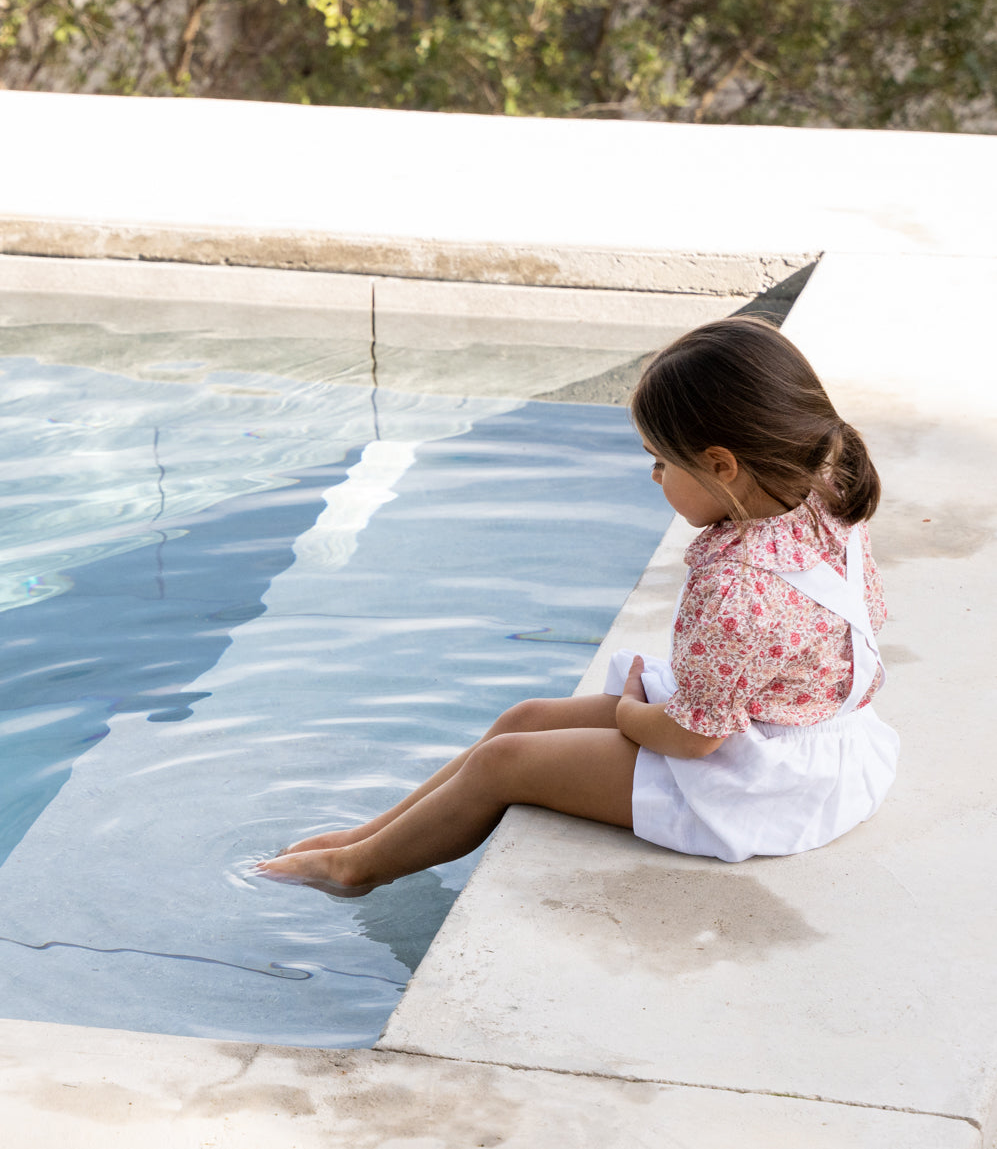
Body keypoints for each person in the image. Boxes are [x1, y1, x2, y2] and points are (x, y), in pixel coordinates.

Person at [255, 316, 898, 895]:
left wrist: (627, 713)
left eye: (660, 462)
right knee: (525, 718)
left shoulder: (738, 587)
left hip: (766, 783)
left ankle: (354, 869)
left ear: (721, 464)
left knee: (505, 764)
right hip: (784, 727)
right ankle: (367, 836)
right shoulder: (825, 486)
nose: (654, 477)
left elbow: (691, 739)